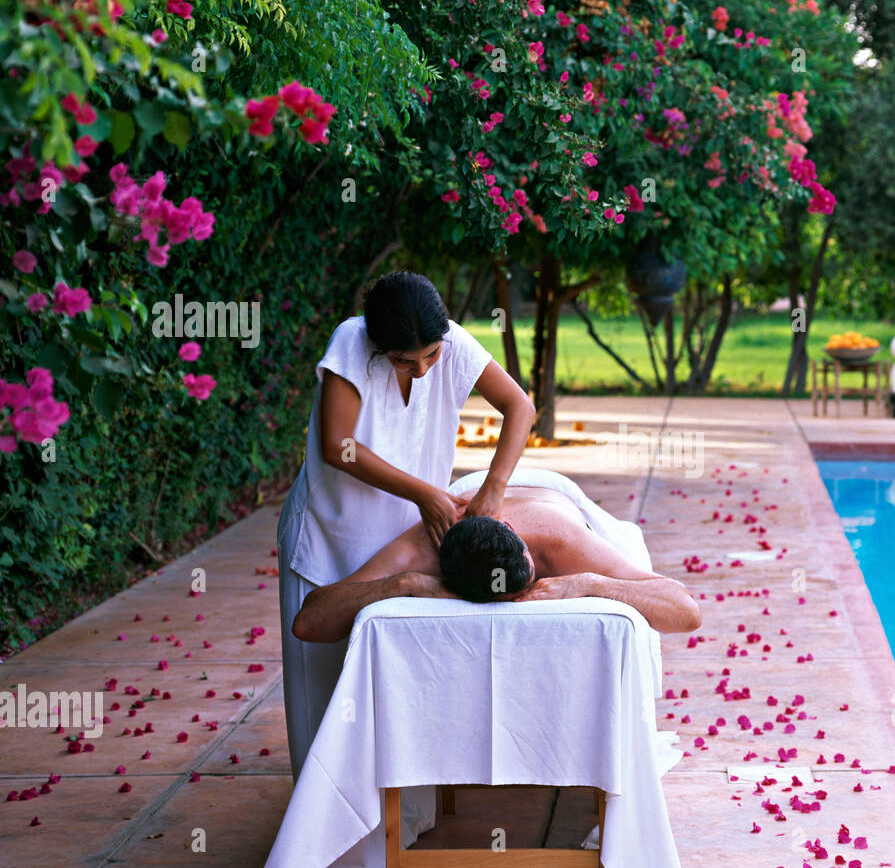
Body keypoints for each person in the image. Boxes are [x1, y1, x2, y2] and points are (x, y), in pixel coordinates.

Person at [277, 271, 535, 778]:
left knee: (398, 691)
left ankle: (401, 822)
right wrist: (423, 493)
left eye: (431, 357)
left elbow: (519, 407)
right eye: (403, 361)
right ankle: (328, 837)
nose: (421, 371)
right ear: (378, 344)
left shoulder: (454, 342)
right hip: (331, 534)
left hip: (406, 543)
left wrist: (495, 486)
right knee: (325, 695)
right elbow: (338, 446)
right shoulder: (351, 342)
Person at [291, 482, 702, 642]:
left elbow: (685, 611)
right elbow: (308, 623)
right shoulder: (415, 551)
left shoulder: (559, 539)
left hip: (553, 494)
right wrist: (402, 586)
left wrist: (589, 584)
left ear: (509, 528)